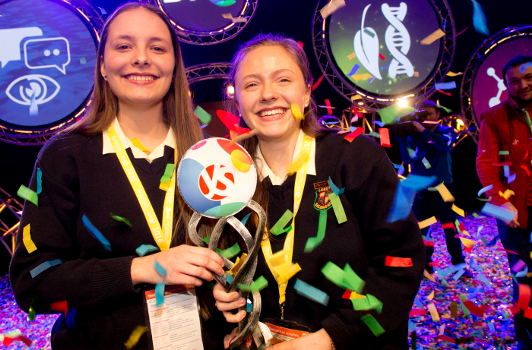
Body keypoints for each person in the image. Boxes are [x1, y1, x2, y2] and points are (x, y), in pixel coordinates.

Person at [9, 4, 229, 349]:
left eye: (157, 47)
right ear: (102, 65)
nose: (141, 58)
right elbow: (33, 287)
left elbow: (232, 260)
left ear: (174, 67)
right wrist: (141, 269)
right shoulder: (64, 156)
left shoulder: (208, 156)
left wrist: (229, 290)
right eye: (124, 46)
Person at [213, 33, 424, 349]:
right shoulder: (226, 175)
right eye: (252, 84)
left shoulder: (356, 158)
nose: (268, 94)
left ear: (307, 91)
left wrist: (329, 339)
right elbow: (225, 263)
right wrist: (225, 297)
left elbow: (400, 265)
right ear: (238, 100)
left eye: (283, 79)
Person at [476, 55, 532, 349]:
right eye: (514, 81)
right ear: (506, 84)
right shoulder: (494, 117)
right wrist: (500, 202)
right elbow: (485, 165)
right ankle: (526, 335)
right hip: (515, 212)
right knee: (523, 275)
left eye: (528, 78)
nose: (522, 85)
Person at [397, 100, 464, 274]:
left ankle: (459, 264)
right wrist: (403, 140)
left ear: (438, 115)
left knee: (450, 227)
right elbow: (408, 159)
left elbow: (444, 145)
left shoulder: (446, 131)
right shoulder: (414, 135)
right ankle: (425, 265)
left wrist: (424, 131)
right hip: (421, 191)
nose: (424, 116)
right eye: (422, 113)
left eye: (428, 113)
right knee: (423, 230)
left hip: (443, 188)